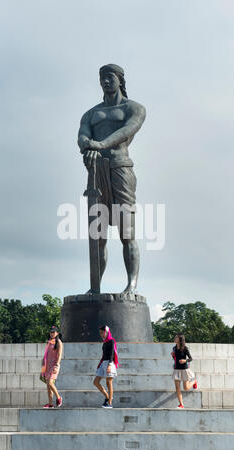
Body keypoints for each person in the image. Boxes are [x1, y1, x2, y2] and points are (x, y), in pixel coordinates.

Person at [77, 64, 146, 294]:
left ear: (120, 80)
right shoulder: (90, 114)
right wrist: (87, 146)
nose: (105, 82)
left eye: (109, 77)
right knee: (98, 237)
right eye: (102, 78)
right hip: (96, 173)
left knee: (127, 233)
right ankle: (94, 288)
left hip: (120, 168)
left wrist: (101, 144)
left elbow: (127, 131)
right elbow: (83, 137)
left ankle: (131, 285)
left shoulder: (134, 108)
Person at [93, 325, 119, 408]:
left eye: (102, 332)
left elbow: (111, 354)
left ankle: (110, 402)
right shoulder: (104, 342)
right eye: (100, 333)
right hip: (103, 363)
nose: (101, 334)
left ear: (106, 332)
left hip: (109, 363)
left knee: (109, 382)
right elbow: (104, 355)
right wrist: (100, 363)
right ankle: (107, 397)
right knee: (96, 382)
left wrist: (109, 365)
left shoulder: (111, 341)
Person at [171, 333, 198, 409]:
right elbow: (175, 359)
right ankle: (181, 404)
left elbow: (191, 358)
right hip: (176, 369)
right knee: (177, 388)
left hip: (184, 369)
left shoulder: (185, 348)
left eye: (176, 337)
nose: (174, 338)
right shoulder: (174, 348)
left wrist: (185, 360)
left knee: (186, 388)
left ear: (180, 339)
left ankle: (194, 381)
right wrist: (173, 356)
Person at [41, 325, 63, 408]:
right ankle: (50, 404)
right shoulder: (49, 341)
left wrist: (56, 365)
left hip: (54, 365)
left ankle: (59, 397)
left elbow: (60, 355)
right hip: (47, 365)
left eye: (53, 332)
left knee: (50, 382)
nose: (52, 333)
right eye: (51, 332)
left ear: (57, 333)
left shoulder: (59, 342)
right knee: (48, 386)